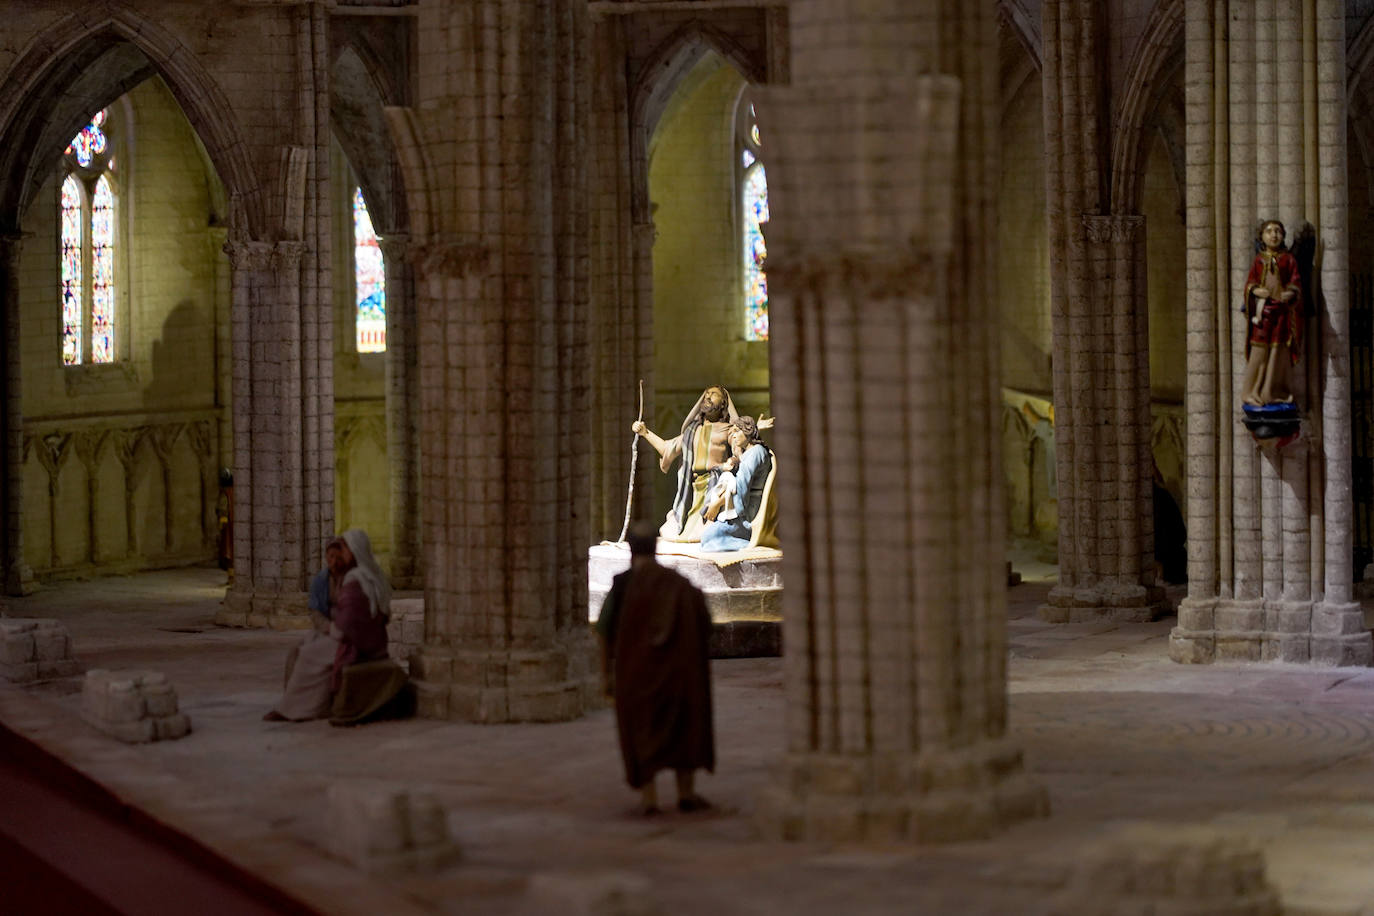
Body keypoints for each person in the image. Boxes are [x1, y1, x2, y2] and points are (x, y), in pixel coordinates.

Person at [596, 520, 715, 816]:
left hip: (636, 674)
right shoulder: (678, 585)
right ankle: (685, 794)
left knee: (642, 728)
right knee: (680, 726)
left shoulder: (622, 587)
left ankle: (649, 799)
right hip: (677, 673)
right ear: (656, 547)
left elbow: (603, 631)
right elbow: (704, 620)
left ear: (631, 551)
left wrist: (605, 676)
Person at [265, 529, 396, 722]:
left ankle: (297, 710)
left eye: (343, 550)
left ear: (353, 551)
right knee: (305, 645)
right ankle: (303, 703)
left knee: (308, 655)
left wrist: (333, 629)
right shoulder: (361, 575)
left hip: (357, 642)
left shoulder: (355, 580)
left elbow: (348, 621)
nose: (339, 556)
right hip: (360, 636)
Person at [632, 386, 739, 542]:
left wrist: (736, 457)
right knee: (680, 534)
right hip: (695, 489)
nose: (708, 397)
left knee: (707, 533)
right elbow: (666, 448)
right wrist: (645, 433)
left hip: (716, 489)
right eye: (706, 394)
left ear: (723, 403)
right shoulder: (692, 432)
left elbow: (740, 450)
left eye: (714, 394)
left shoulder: (729, 430)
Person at [1240, 219, 1303, 407]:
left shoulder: (1288, 259)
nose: (1274, 234)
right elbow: (1250, 283)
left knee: (1278, 353)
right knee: (1259, 351)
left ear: (1283, 236)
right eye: (1269, 231)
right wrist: (1255, 290)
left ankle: (1272, 392)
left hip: (1282, 314)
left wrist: (1291, 292)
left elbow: (1296, 281)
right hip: (1263, 313)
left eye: (1278, 231)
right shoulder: (1259, 260)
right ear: (1262, 236)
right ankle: (1250, 392)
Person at [700, 416, 774, 552]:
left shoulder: (756, 452)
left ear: (748, 431)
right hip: (746, 505)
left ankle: (744, 539)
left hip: (748, 512)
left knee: (709, 538)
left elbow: (741, 486)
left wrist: (717, 504)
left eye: (737, 431)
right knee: (707, 538)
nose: (733, 436)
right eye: (732, 432)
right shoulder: (752, 452)